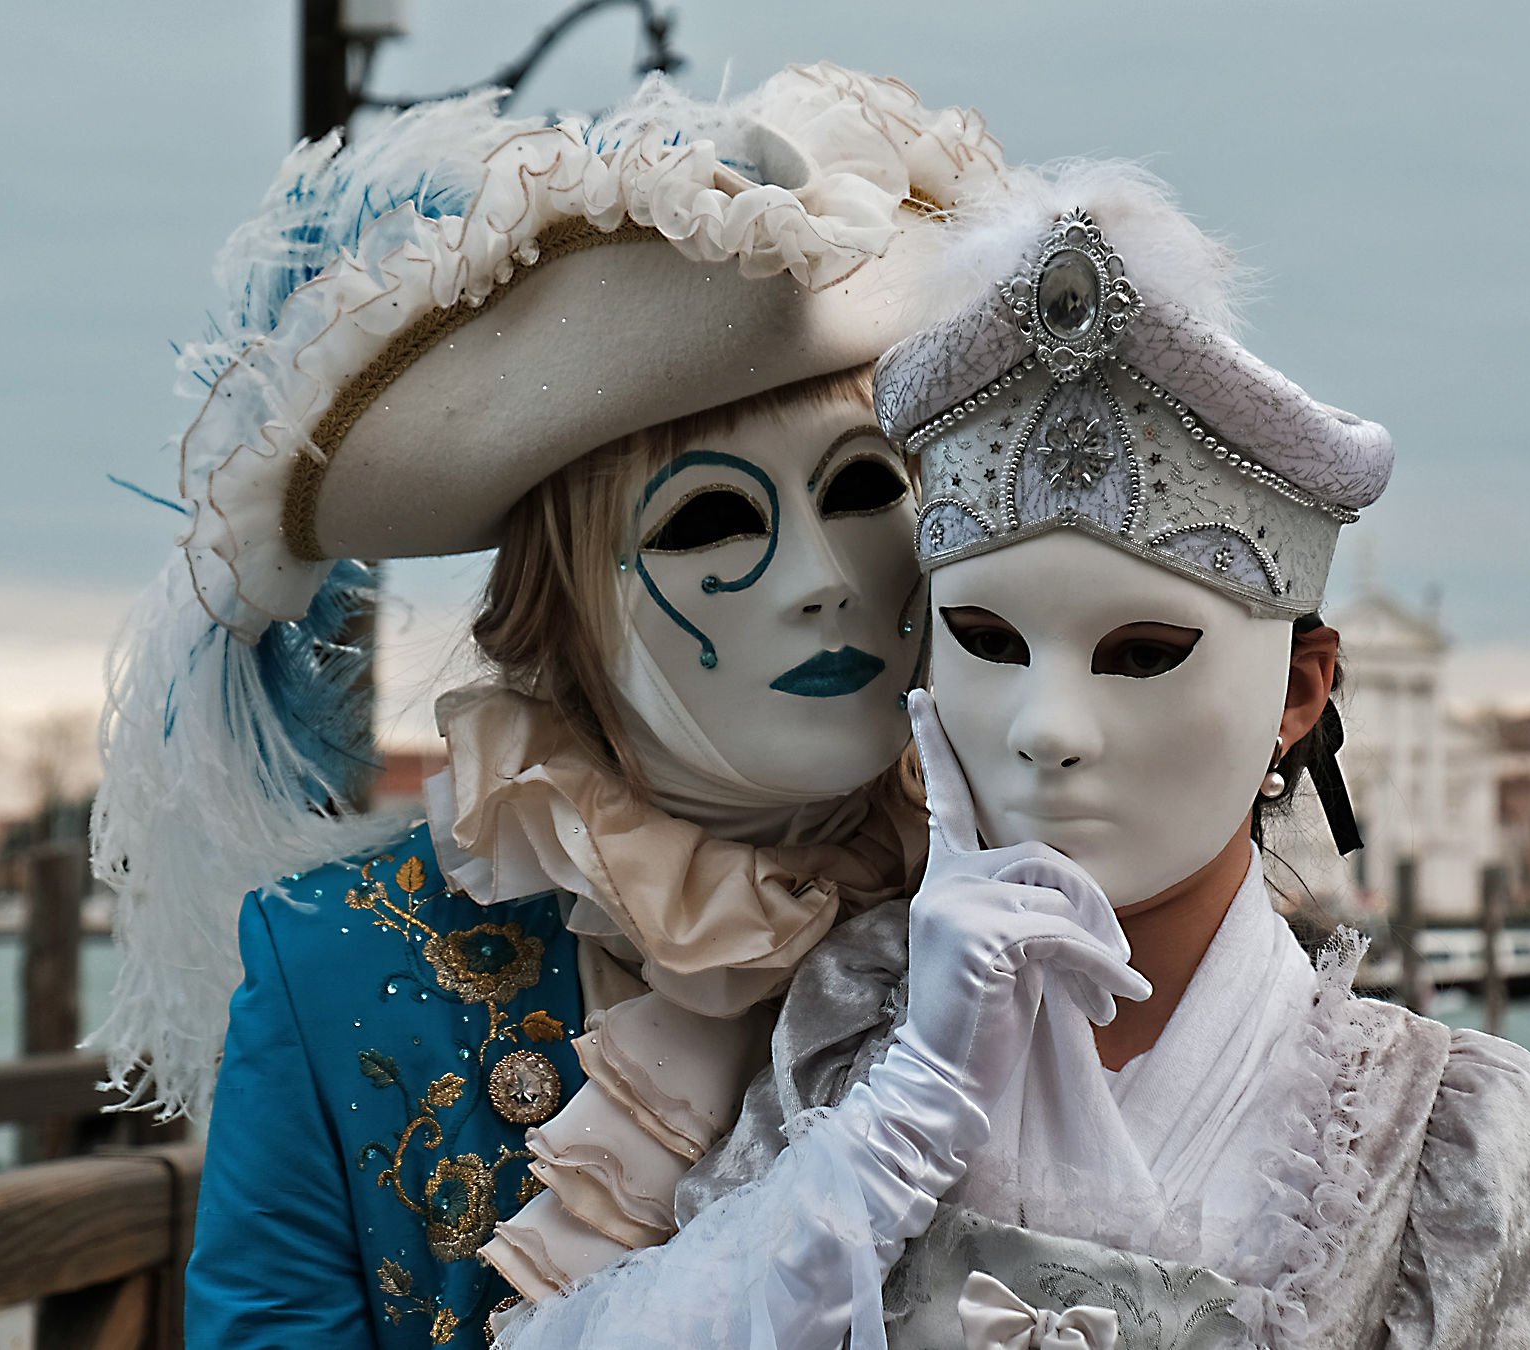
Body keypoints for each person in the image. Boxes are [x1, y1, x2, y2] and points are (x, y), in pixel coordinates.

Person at [491, 164, 1530, 1349]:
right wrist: (904, 1117)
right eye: (986, 642)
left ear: (1299, 690)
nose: (1047, 729)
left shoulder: (1444, 1141)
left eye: (1140, 653)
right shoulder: (856, 1038)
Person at [84, 65, 1009, 1346]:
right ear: (562, 612)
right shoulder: (342, 968)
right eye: (711, 521)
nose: (820, 582)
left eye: (863, 493)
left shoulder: (1043, 904)